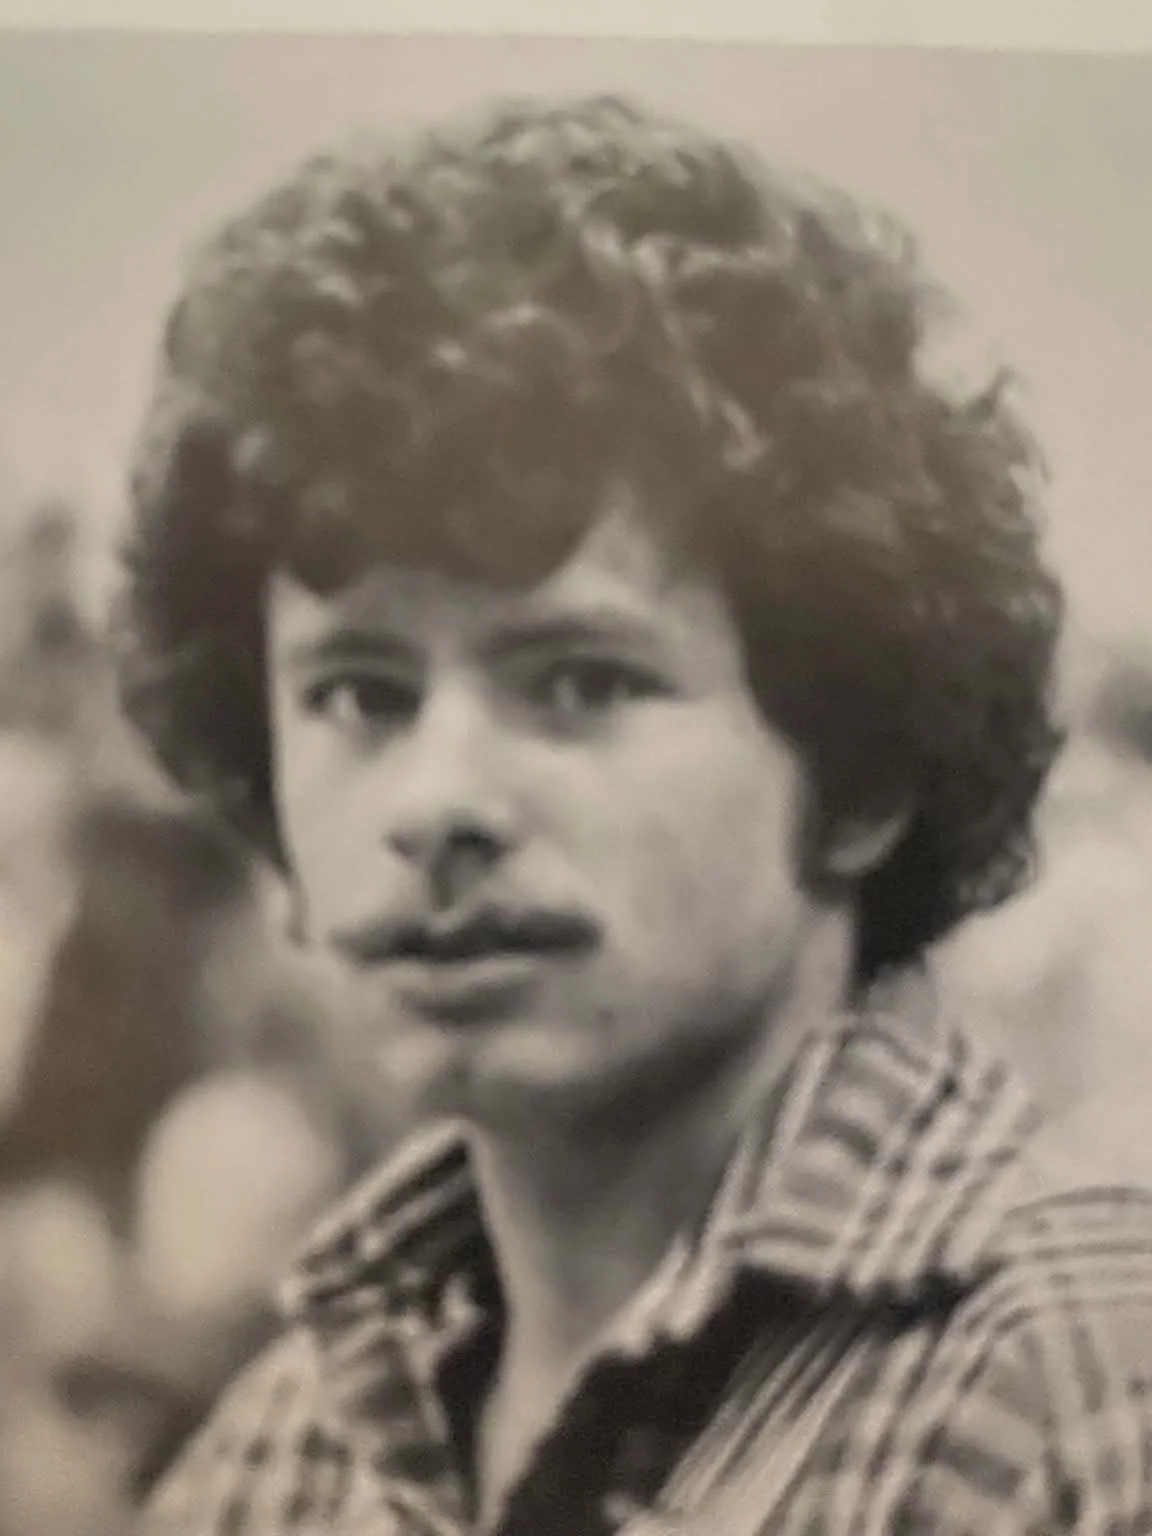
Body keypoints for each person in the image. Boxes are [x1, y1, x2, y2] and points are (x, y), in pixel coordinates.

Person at [115, 94, 1152, 1535]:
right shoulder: (283, 1453)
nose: (436, 802)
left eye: (582, 681)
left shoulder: (1085, 1396)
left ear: (857, 776)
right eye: (361, 695)